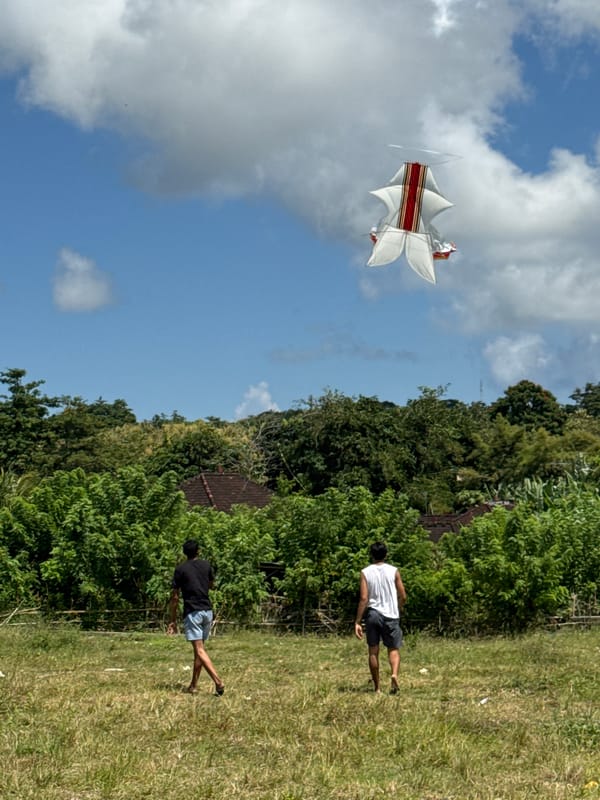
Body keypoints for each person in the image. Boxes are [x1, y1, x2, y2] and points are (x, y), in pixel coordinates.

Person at [167, 539, 225, 696]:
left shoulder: (180, 569)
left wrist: (172, 620)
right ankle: (193, 685)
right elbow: (212, 585)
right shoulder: (206, 565)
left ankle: (218, 682)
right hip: (207, 611)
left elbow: (175, 597)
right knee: (199, 651)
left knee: (199, 650)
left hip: (193, 612)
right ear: (198, 551)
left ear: (184, 553)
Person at [354, 541, 407, 694]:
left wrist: (358, 621)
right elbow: (403, 595)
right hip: (391, 614)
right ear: (386, 554)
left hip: (373, 614)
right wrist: (398, 607)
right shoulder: (394, 571)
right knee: (393, 649)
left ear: (371, 555)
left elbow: (364, 598)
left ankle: (377, 687)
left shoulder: (365, 572)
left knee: (373, 651)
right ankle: (394, 675)